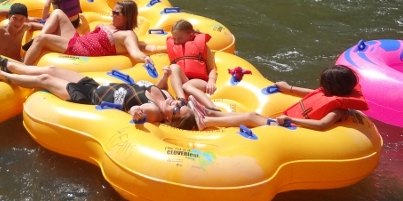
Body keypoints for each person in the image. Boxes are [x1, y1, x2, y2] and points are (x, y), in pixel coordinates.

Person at [129, 65, 368, 131]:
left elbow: (323, 124)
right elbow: (313, 94)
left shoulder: (338, 109)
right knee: (202, 101)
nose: (319, 87)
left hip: (294, 127)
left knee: (252, 116)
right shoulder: (329, 94)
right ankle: (207, 113)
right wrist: (289, 88)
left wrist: (291, 121)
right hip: (285, 121)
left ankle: (204, 117)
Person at [0, 57, 164, 114]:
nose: (177, 104)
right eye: (180, 104)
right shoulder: (165, 97)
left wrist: (137, 113)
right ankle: (11, 66)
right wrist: (166, 76)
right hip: (95, 86)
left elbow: (140, 113)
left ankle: (0, 75)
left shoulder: (154, 110)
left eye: (178, 110)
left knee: (45, 79)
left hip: (88, 99)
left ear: (171, 117)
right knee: (52, 68)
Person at [21, 0, 151, 67]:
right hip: (79, 40)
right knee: (58, 13)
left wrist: (145, 58)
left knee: (42, 39)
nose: (112, 14)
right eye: (112, 11)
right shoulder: (113, 25)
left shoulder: (127, 34)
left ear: (127, 17)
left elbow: (135, 51)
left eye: (116, 13)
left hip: (80, 49)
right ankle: (37, 39)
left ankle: (22, 68)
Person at [142, 20, 218, 109]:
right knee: (174, 67)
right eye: (174, 39)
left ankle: (212, 108)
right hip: (183, 81)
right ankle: (182, 100)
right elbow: (154, 49)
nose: (176, 41)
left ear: (190, 35)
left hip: (200, 82)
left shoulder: (202, 47)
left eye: (180, 38)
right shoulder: (175, 46)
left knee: (187, 86)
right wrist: (138, 47)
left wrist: (211, 81)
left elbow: (212, 68)